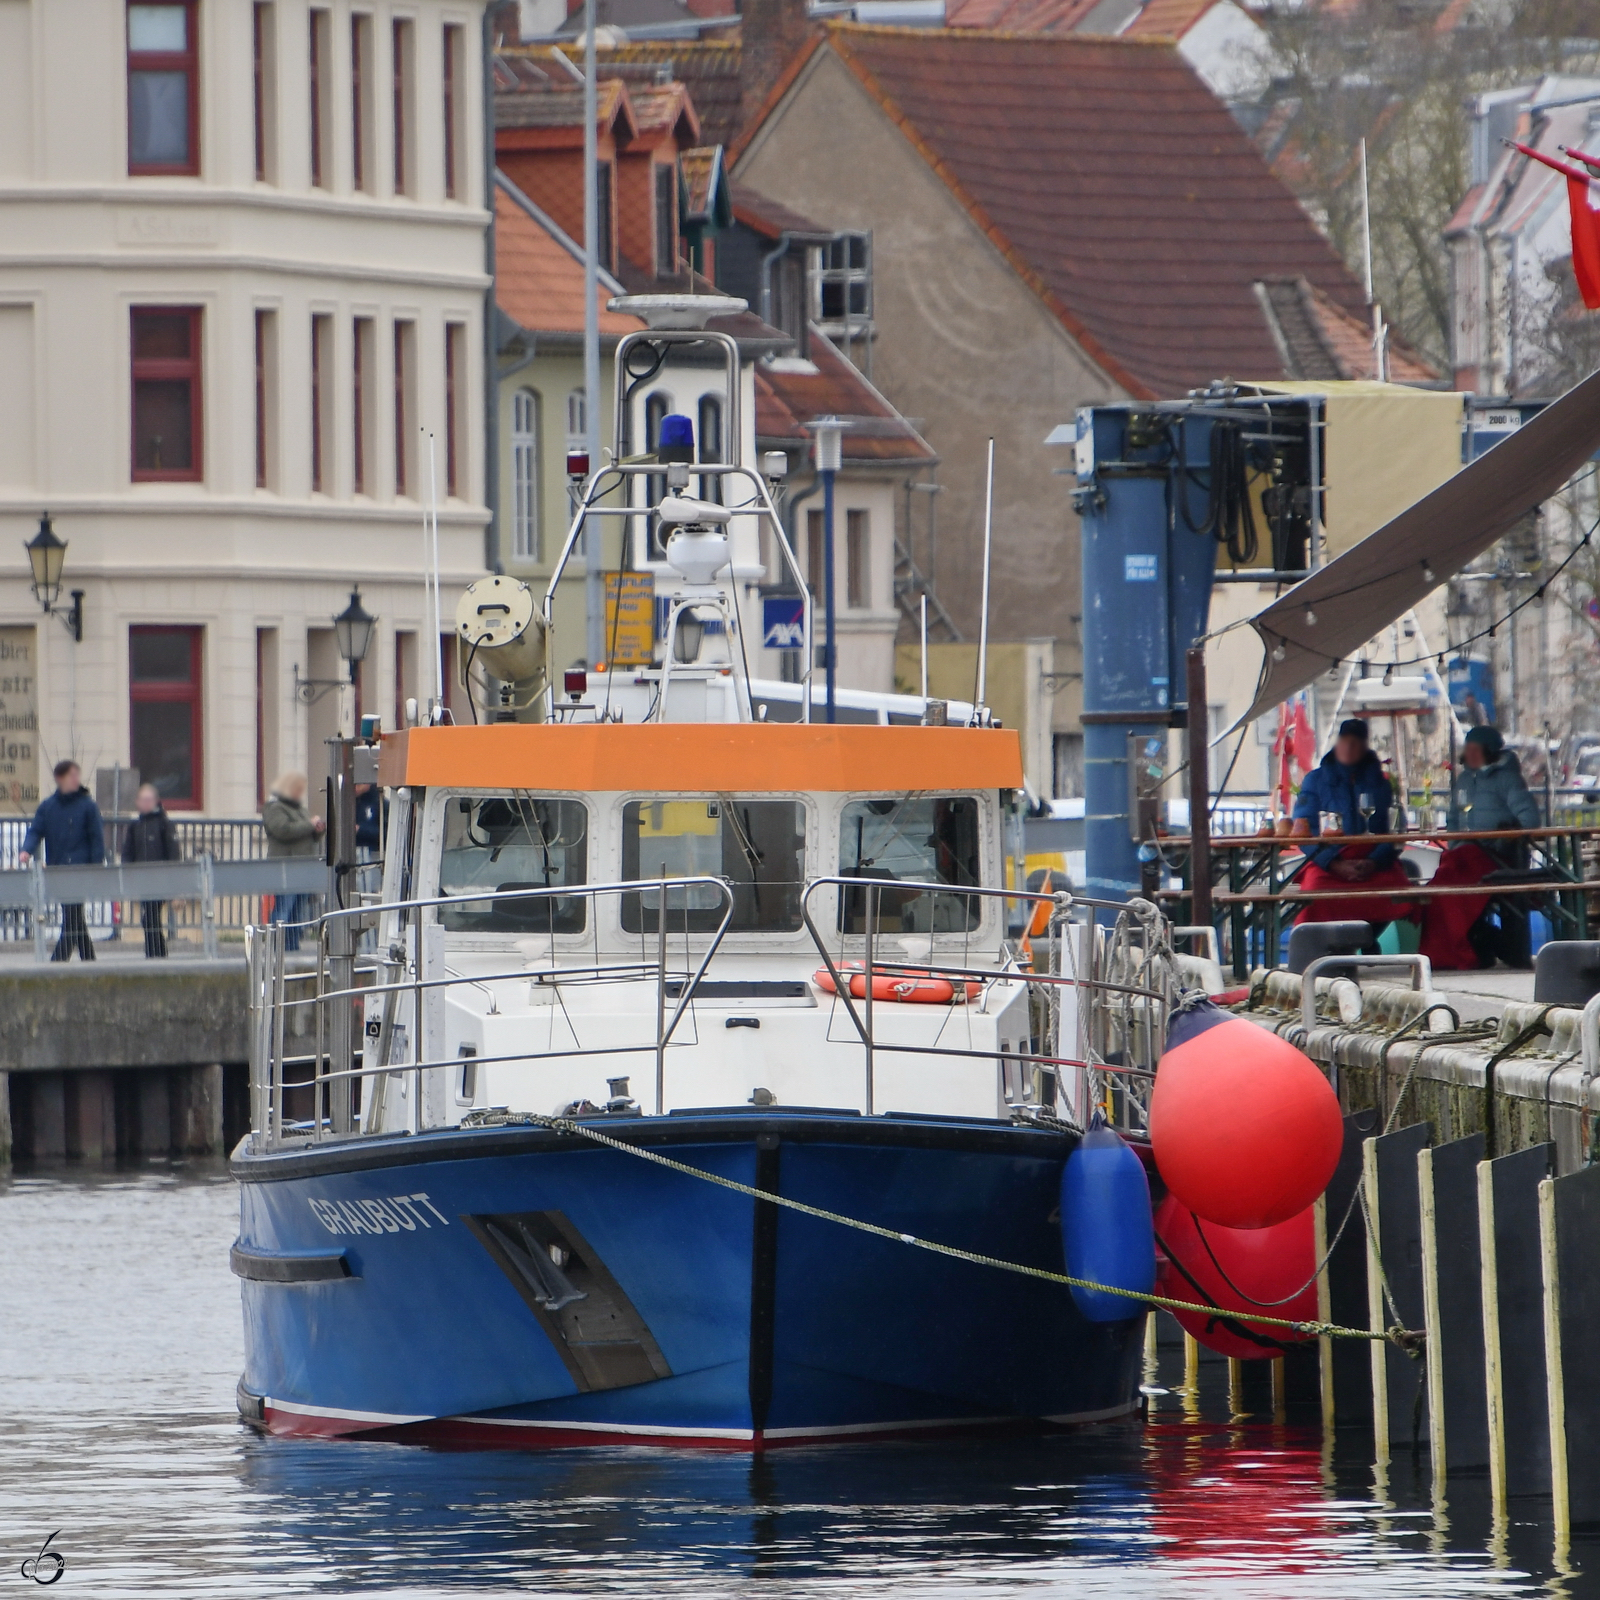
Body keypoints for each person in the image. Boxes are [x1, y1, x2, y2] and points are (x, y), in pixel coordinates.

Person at [1421, 725, 1541, 969]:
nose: (1471, 754)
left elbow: (1529, 818)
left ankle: (1464, 950)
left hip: (1496, 856)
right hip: (1464, 855)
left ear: (1490, 751)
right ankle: (1450, 951)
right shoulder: (1464, 780)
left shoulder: (1507, 779)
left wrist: (1509, 835)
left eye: (1477, 749)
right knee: (1439, 889)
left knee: (1453, 890)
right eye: (1469, 749)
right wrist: (1455, 847)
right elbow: (1453, 820)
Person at [1290, 718, 1414, 938]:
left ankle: (1366, 938)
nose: (1349, 747)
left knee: (1403, 892)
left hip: (1373, 862)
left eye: (1355, 742)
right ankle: (1329, 946)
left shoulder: (1381, 783)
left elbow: (1396, 830)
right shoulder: (1314, 781)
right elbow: (1303, 830)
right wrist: (1334, 863)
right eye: (1344, 740)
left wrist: (1374, 861)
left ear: (1365, 747)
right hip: (1329, 862)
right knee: (1314, 893)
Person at [19, 759, 105, 961]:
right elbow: (36, 831)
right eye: (71, 776)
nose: (76, 780)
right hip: (59, 870)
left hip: (80, 870)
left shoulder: (88, 806)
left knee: (72, 916)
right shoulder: (48, 807)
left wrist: (96, 868)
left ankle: (58, 962)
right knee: (75, 918)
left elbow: (96, 839)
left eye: (77, 775)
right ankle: (89, 961)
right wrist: (26, 850)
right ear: (60, 778)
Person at [262, 772, 325, 953]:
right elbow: (283, 830)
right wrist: (310, 825)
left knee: (298, 911)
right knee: (284, 909)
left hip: (304, 867)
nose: (300, 793)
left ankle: (292, 945)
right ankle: (277, 946)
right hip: (287, 867)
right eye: (297, 789)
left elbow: (307, 832)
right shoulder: (274, 808)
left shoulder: (300, 809)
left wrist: (318, 830)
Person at [121, 782, 181, 958]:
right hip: (143, 881)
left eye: (149, 800)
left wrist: (175, 887)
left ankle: (155, 955)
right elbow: (128, 852)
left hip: (161, 881)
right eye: (142, 800)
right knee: (149, 919)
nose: (146, 804)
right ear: (137, 802)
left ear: (155, 801)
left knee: (150, 918)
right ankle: (158, 954)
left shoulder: (164, 824)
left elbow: (174, 854)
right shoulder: (135, 826)